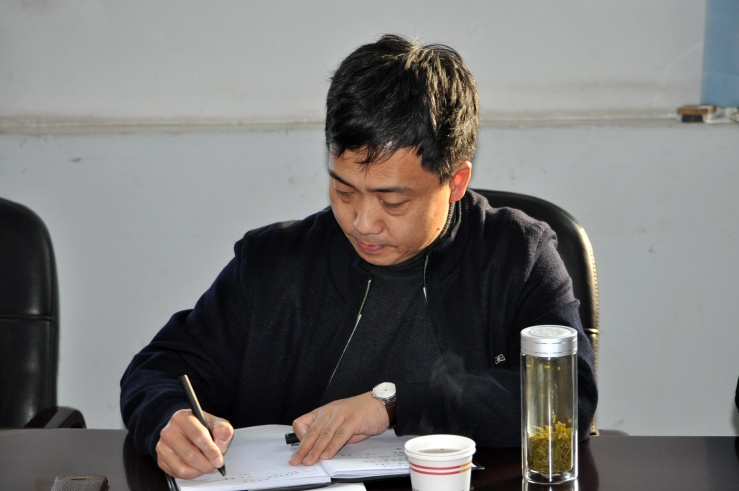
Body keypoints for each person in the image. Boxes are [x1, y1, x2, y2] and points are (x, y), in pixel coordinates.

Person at [120, 34, 598, 479]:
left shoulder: (515, 256)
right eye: (344, 191)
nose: (362, 222)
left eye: (393, 202)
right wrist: (168, 417)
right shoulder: (274, 263)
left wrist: (394, 404)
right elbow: (159, 368)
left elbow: (567, 400)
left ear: (455, 182)